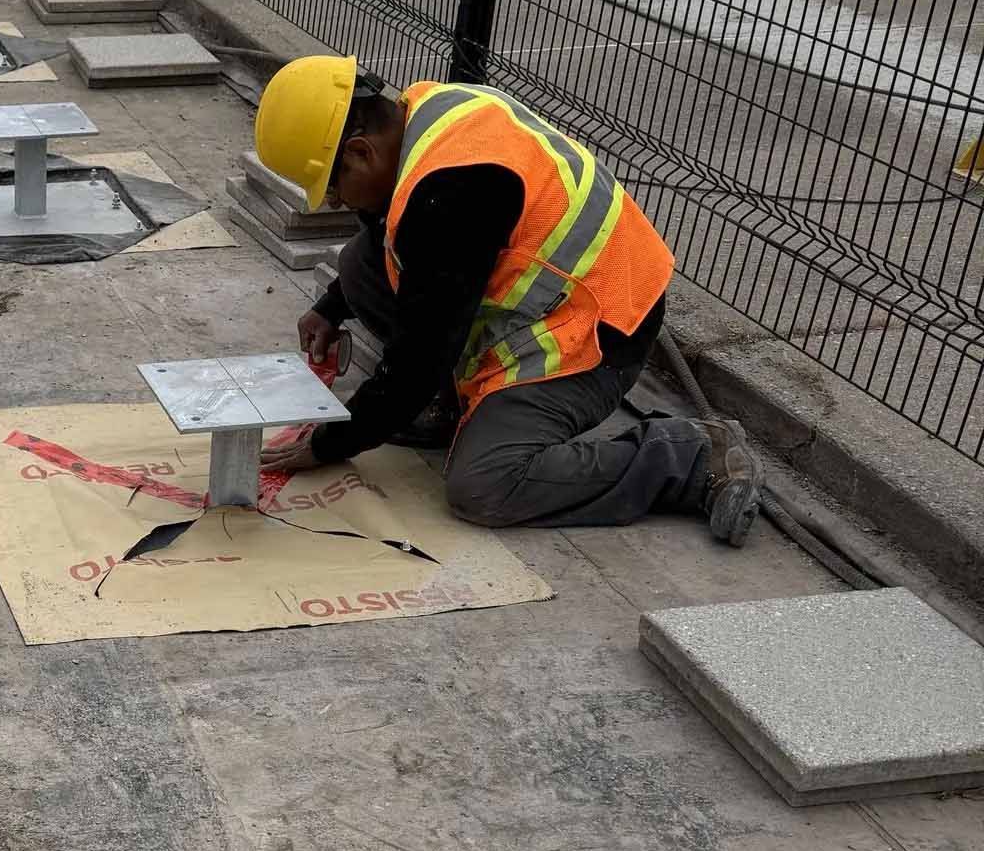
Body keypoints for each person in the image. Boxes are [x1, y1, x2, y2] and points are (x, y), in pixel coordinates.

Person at [254, 56, 762, 541]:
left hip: (594, 333)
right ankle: (453, 409)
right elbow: (396, 247)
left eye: (334, 187)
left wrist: (331, 443)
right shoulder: (429, 114)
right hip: (557, 291)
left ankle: (690, 456)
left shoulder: (451, 194)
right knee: (359, 265)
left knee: (484, 485)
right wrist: (332, 305)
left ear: (361, 151)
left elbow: (421, 354)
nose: (337, 203)